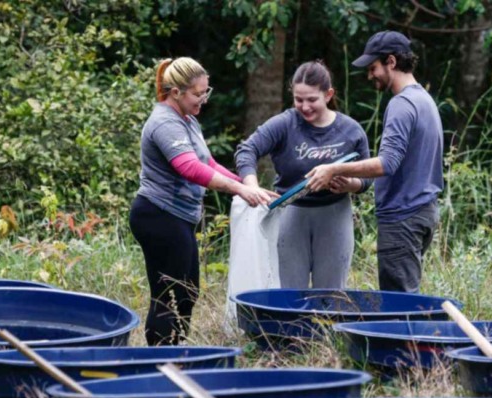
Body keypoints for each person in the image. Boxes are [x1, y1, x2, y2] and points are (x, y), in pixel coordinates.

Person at [130, 57, 276, 346]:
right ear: (176, 92)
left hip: (177, 218)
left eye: (206, 92)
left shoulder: (188, 121)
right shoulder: (163, 123)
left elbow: (207, 162)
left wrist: (246, 185)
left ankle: (176, 349)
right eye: (198, 94)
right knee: (169, 291)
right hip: (158, 215)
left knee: (188, 290)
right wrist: (239, 189)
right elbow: (190, 168)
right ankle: (162, 355)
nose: (204, 100)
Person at [305, 31, 444, 293]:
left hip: (403, 216)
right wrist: (354, 183)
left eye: (373, 68)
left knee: (399, 304)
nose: (370, 76)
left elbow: (387, 164)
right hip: (424, 212)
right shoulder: (424, 99)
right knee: (405, 297)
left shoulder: (401, 104)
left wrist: (333, 168)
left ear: (391, 62)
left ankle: (409, 337)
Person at [235, 61, 371, 289]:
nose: (305, 106)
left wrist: (351, 184)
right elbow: (246, 150)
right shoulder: (285, 124)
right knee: (290, 293)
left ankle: (326, 327)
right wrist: (252, 186)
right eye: (299, 100)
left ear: (328, 95)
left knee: (329, 295)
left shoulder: (351, 130)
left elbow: (368, 177)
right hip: (291, 212)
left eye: (312, 100)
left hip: (334, 214)